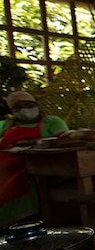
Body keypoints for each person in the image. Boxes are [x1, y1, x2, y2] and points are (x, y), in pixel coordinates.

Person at [0, 91, 68, 224]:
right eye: (18, 107)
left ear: (36, 105)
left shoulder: (51, 121)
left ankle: (23, 222)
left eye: (28, 105)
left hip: (38, 163)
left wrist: (33, 143)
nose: (24, 109)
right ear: (12, 111)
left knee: (18, 182)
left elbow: (64, 140)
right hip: (5, 161)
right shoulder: (5, 125)